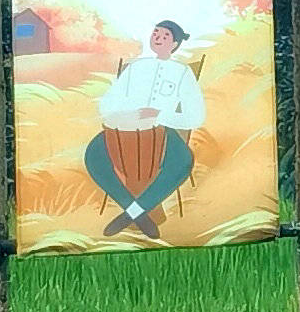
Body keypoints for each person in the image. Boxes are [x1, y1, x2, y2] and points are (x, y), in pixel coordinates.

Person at [84, 19, 207, 235]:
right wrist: (126, 115)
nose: (158, 38)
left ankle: (131, 213)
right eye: (155, 33)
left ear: (175, 44)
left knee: (183, 161)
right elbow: (107, 104)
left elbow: (196, 116)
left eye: (165, 36)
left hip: (162, 129)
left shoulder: (182, 72)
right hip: (123, 130)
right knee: (93, 155)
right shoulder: (136, 68)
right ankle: (137, 212)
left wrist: (161, 114)